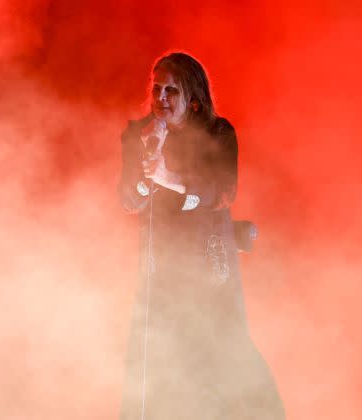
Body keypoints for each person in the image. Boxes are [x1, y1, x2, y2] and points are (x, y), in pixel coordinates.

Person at [117, 52, 285, 419]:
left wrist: (169, 178)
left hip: (210, 264)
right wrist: (146, 174)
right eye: (157, 88)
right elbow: (128, 199)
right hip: (161, 262)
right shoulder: (139, 135)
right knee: (160, 351)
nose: (160, 97)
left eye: (171, 90)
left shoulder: (218, 133)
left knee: (223, 348)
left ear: (192, 97)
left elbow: (222, 192)